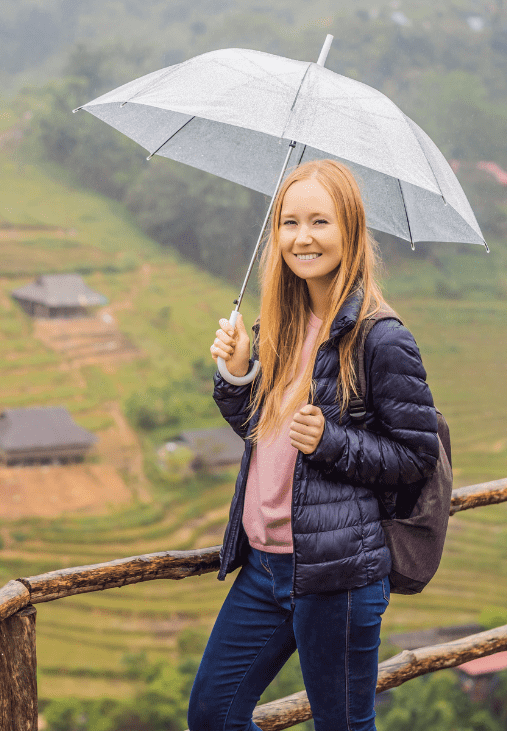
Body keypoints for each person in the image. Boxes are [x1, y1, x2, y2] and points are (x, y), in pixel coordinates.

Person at [187, 159, 440, 731]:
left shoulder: (383, 338)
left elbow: (417, 460)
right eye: (290, 222)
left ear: (350, 231)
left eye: (320, 222)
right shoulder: (278, 323)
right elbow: (260, 431)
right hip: (263, 566)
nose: (302, 238)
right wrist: (238, 374)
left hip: (337, 574)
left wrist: (331, 442)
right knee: (211, 715)